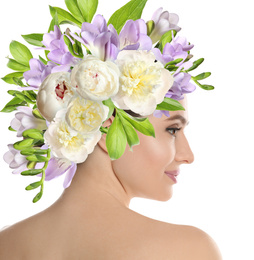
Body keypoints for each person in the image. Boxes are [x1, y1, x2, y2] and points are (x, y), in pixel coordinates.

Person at [0, 0, 222, 259]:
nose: (188, 155)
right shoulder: (188, 249)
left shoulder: (6, 242)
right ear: (106, 131)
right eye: (172, 130)